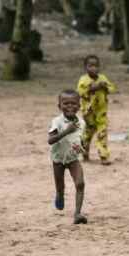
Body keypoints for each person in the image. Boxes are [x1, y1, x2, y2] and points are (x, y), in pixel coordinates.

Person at [48, 89, 87, 224]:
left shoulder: (82, 123)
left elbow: (81, 140)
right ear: (59, 106)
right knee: (60, 186)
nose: (70, 106)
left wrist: (82, 147)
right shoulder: (56, 122)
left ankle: (77, 214)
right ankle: (59, 194)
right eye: (66, 103)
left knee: (80, 183)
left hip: (73, 159)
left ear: (79, 106)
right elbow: (50, 140)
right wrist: (66, 131)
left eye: (73, 103)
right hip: (58, 159)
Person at [77, 54, 117, 165]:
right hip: (89, 114)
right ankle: (84, 152)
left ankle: (104, 156)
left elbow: (112, 88)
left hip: (101, 113)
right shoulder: (83, 80)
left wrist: (105, 87)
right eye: (90, 66)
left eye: (96, 66)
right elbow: (80, 92)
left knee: (102, 134)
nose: (93, 68)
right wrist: (92, 88)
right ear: (85, 67)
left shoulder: (102, 78)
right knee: (87, 135)